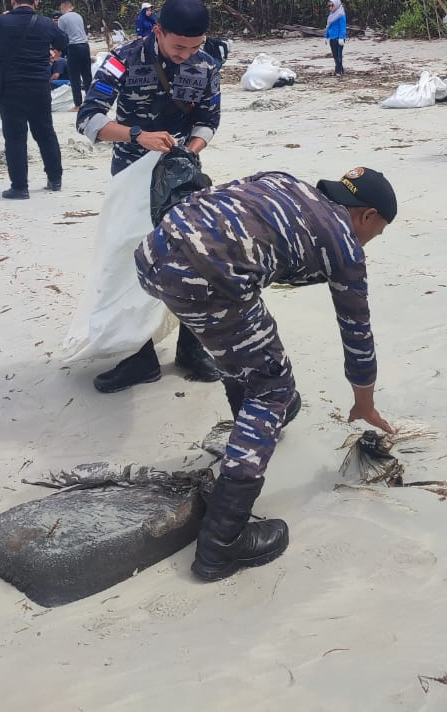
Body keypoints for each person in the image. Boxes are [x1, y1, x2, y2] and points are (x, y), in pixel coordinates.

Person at [136, 165, 395, 581]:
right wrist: (364, 402)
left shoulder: (285, 181)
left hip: (153, 254)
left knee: (239, 343)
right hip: (208, 277)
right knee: (271, 390)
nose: (370, 240)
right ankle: (221, 544)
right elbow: (357, 334)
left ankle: (247, 423)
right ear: (367, 216)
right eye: (376, 232)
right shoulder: (345, 244)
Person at [76, 0, 222, 390]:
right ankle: (139, 357)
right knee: (129, 262)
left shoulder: (208, 63)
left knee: (193, 262)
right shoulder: (122, 59)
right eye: (178, 46)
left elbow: (209, 120)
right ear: (157, 31)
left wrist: (187, 153)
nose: (186, 55)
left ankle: (191, 350)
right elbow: (89, 120)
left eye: (195, 46)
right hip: (132, 174)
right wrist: (137, 136)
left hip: (182, 177)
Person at [0, 0, 69, 199]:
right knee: (45, 133)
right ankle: (55, 179)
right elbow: (63, 41)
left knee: (15, 137)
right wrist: (53, 54)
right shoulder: (45, 23)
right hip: (40, 86)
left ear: (13, 0)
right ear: (36, 2)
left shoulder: (0, 21)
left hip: (10, 87)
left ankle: (20, 187)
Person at [57, 0, 92, 107]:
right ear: (71, 7)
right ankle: (90, 100)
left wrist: (59, 50)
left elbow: (60, 35)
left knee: (74, 76)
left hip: (74, 47)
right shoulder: (78, 16)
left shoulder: (62, 18)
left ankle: (78, 104)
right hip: (85, 46)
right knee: (87, 75)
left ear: (63, 8)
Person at [325, 0, 347, 76]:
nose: (331, 7)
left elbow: (342, 27)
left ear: (337, 5)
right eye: (329, 6)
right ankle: (340, 69)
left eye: (332, 6)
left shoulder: (341, 15)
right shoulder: (331, 15)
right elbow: (328, 26)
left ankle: (338, 71)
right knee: (334, 55)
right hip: (332, 37)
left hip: (339, 38)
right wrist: (326, 36)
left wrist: (341, 37)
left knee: (339, 55)